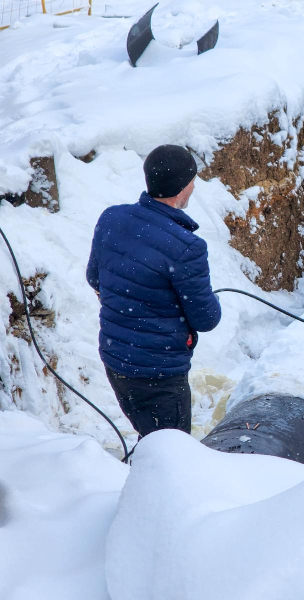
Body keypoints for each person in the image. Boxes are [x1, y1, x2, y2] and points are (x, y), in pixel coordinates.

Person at [86, 145, 221, 439]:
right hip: (158, 374)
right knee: (171, 453)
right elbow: (206, 319)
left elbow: (94, 278)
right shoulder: (186, 248)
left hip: (116, 361)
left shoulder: (111, 218)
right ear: (183, 188)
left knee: (150, 437)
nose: (195, 186)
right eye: (193, 181)